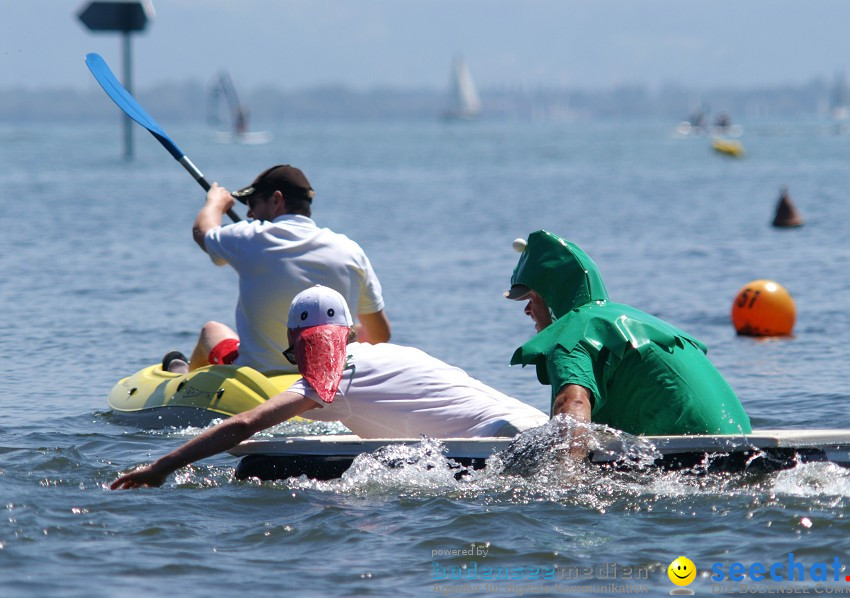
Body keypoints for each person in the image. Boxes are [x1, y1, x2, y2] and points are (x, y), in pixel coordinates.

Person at [112, 286, 547, 489]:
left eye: (295, 354)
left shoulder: (332, 377)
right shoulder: (400, 355)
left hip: (499, 453)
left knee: (250, 473)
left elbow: (244, 424)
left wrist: (162, 467)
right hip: (548, 430)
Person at [504, 230, 752, 437]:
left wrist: (561, 486)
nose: (526, 310)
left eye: (531, 298)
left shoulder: (572, 335)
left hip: (698, 461)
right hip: (746, 445)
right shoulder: (636, 322)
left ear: (552, 297)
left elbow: (574, 406)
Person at [185, 164, 391, 374]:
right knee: (359, 333)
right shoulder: (351, 250)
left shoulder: (249, 237)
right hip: (329, 376)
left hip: (258, 376)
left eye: (253, 203)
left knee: (211, 330)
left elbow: (202, 232)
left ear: (276, 199)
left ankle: (186, 390)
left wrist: (215, 203)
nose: (249, 213)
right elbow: (379, 335)